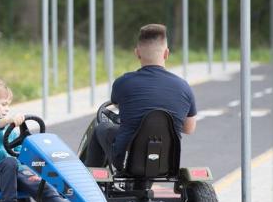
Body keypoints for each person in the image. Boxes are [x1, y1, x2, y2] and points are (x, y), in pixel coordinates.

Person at [84, 24, 197, 171]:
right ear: (166, 54)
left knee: (101, 128)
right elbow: (189, 128)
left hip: (126, 161)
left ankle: (90, 178)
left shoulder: (123, 83)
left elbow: (121, 107)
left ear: (137, 53)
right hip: (168, 162)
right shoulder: (184, 87)